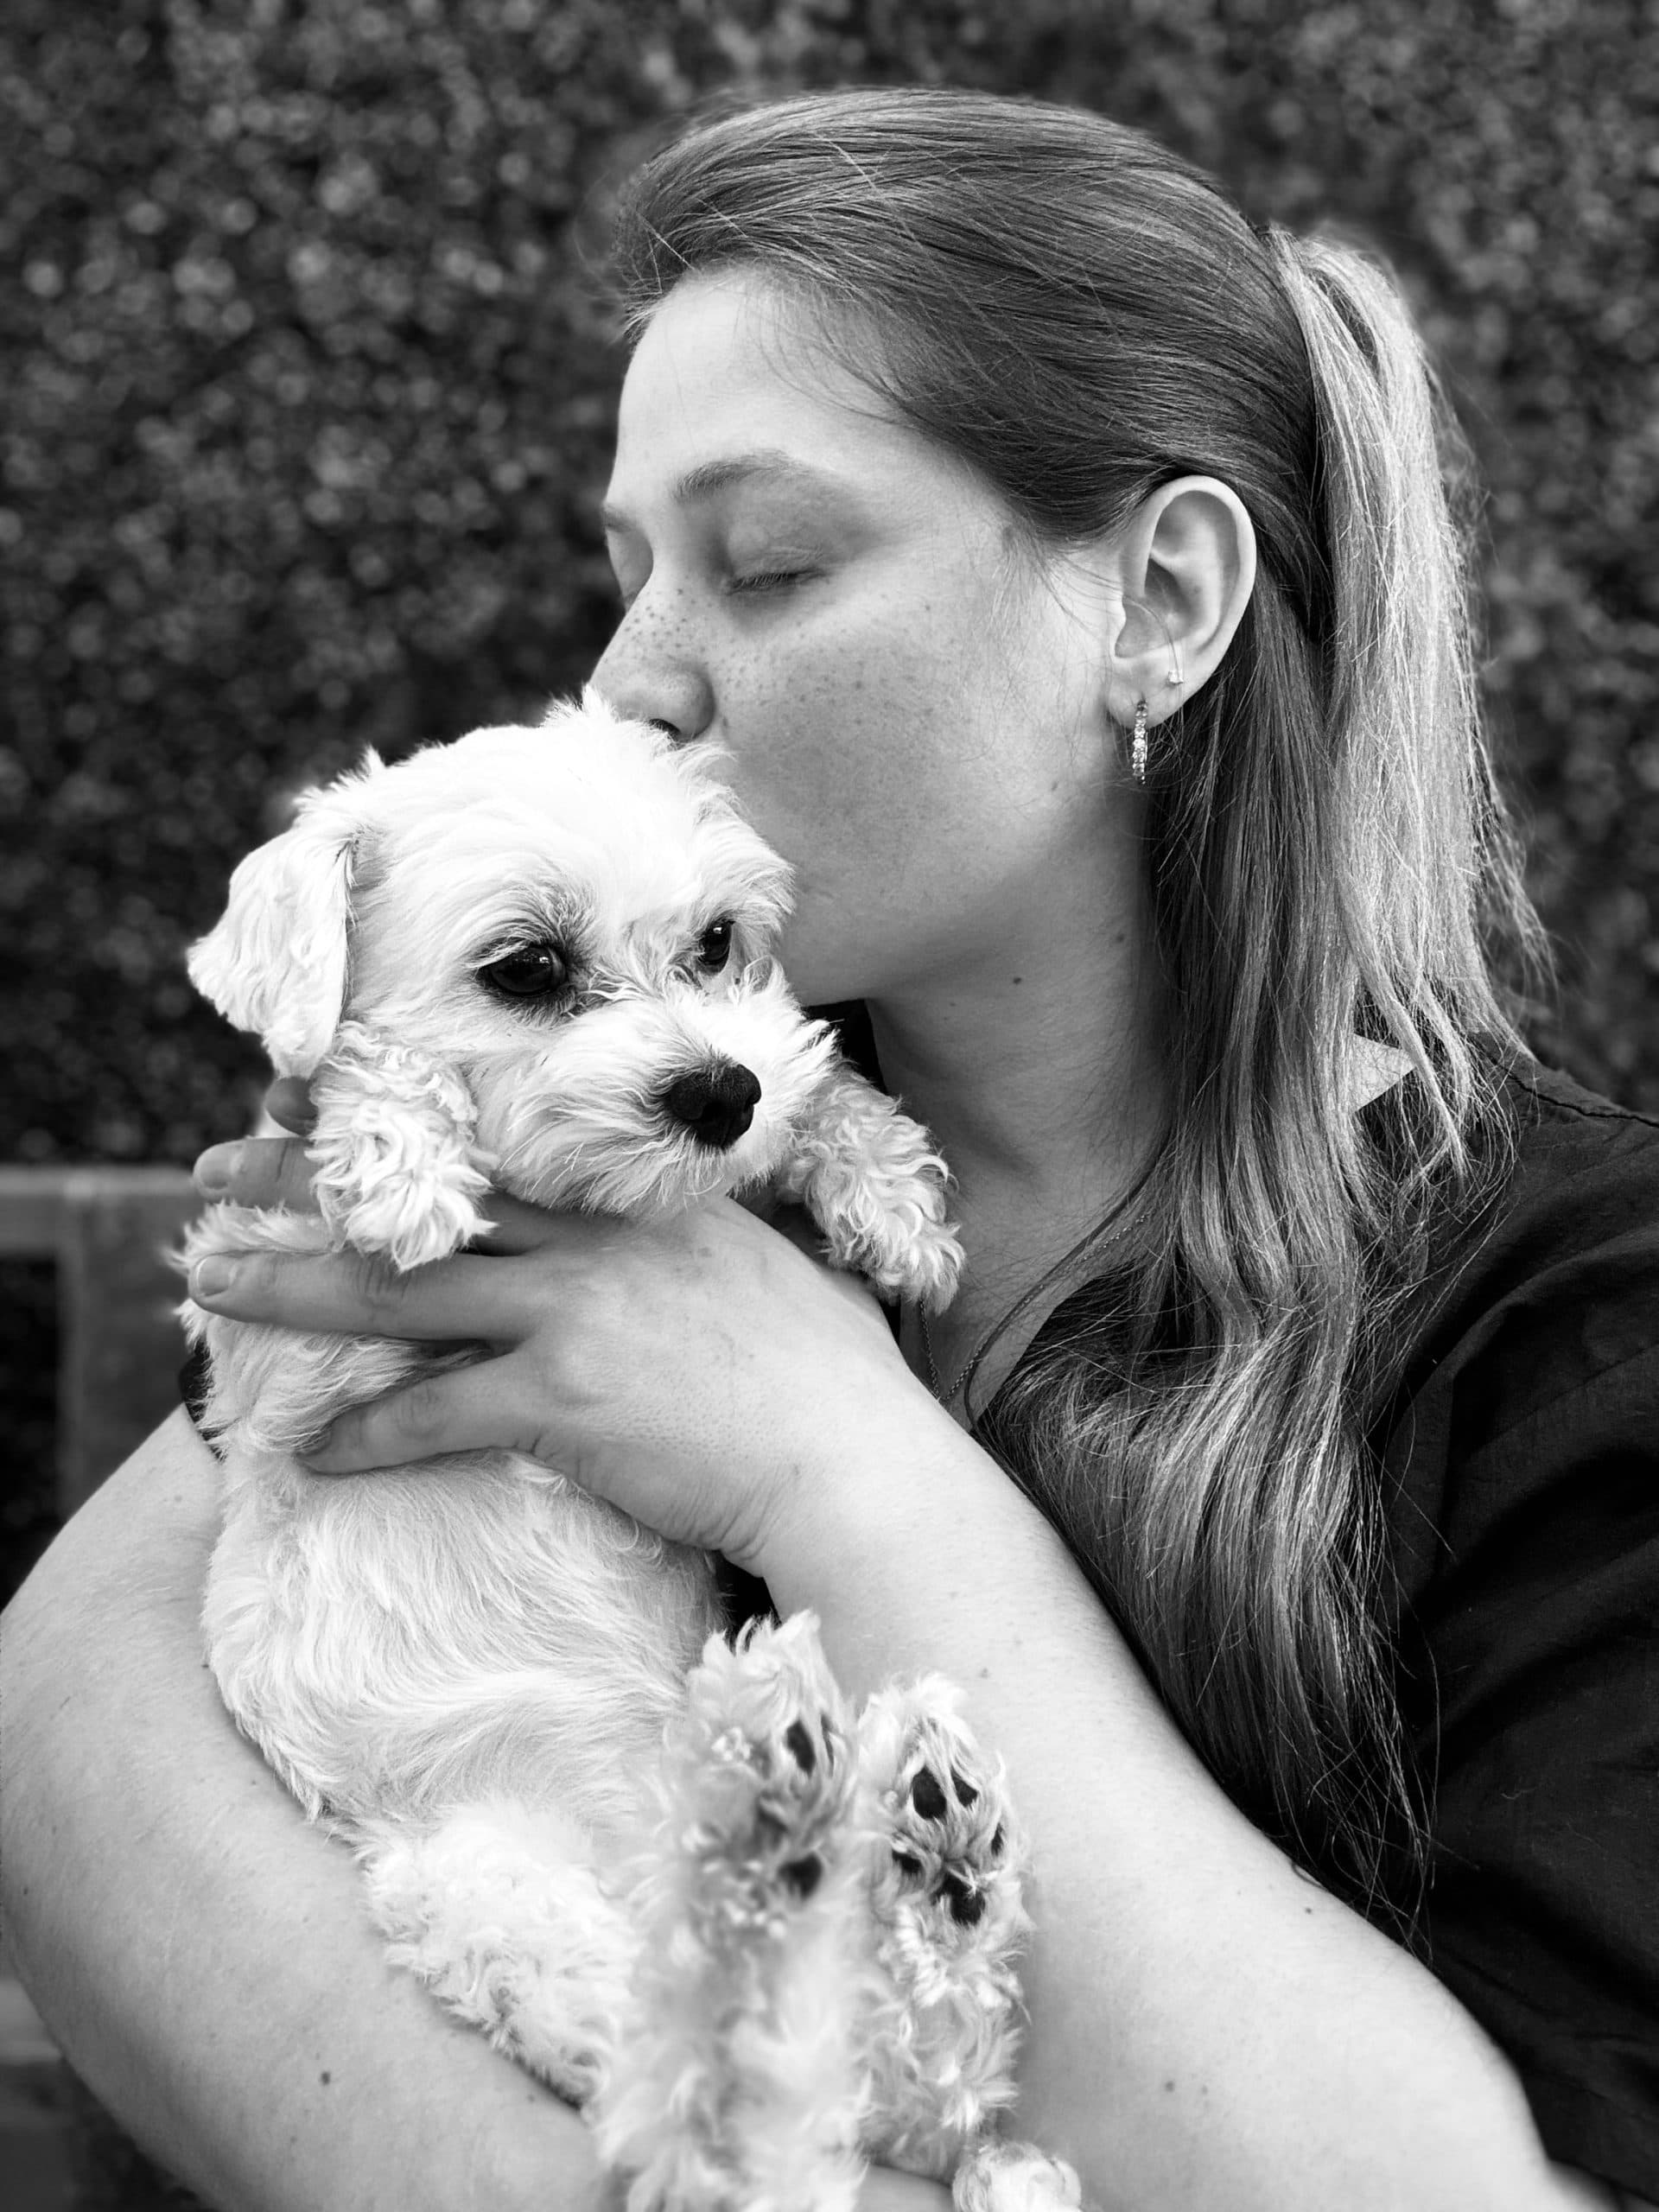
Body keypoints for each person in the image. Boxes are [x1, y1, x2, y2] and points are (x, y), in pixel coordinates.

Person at [3, 86, 1655, 2212]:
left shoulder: (1578, 1326)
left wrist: (825, 1459)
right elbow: (75, 1708)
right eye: (625, 572)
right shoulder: (584, 1151)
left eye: (765, 562)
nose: (630, 678)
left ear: (1160, 599)